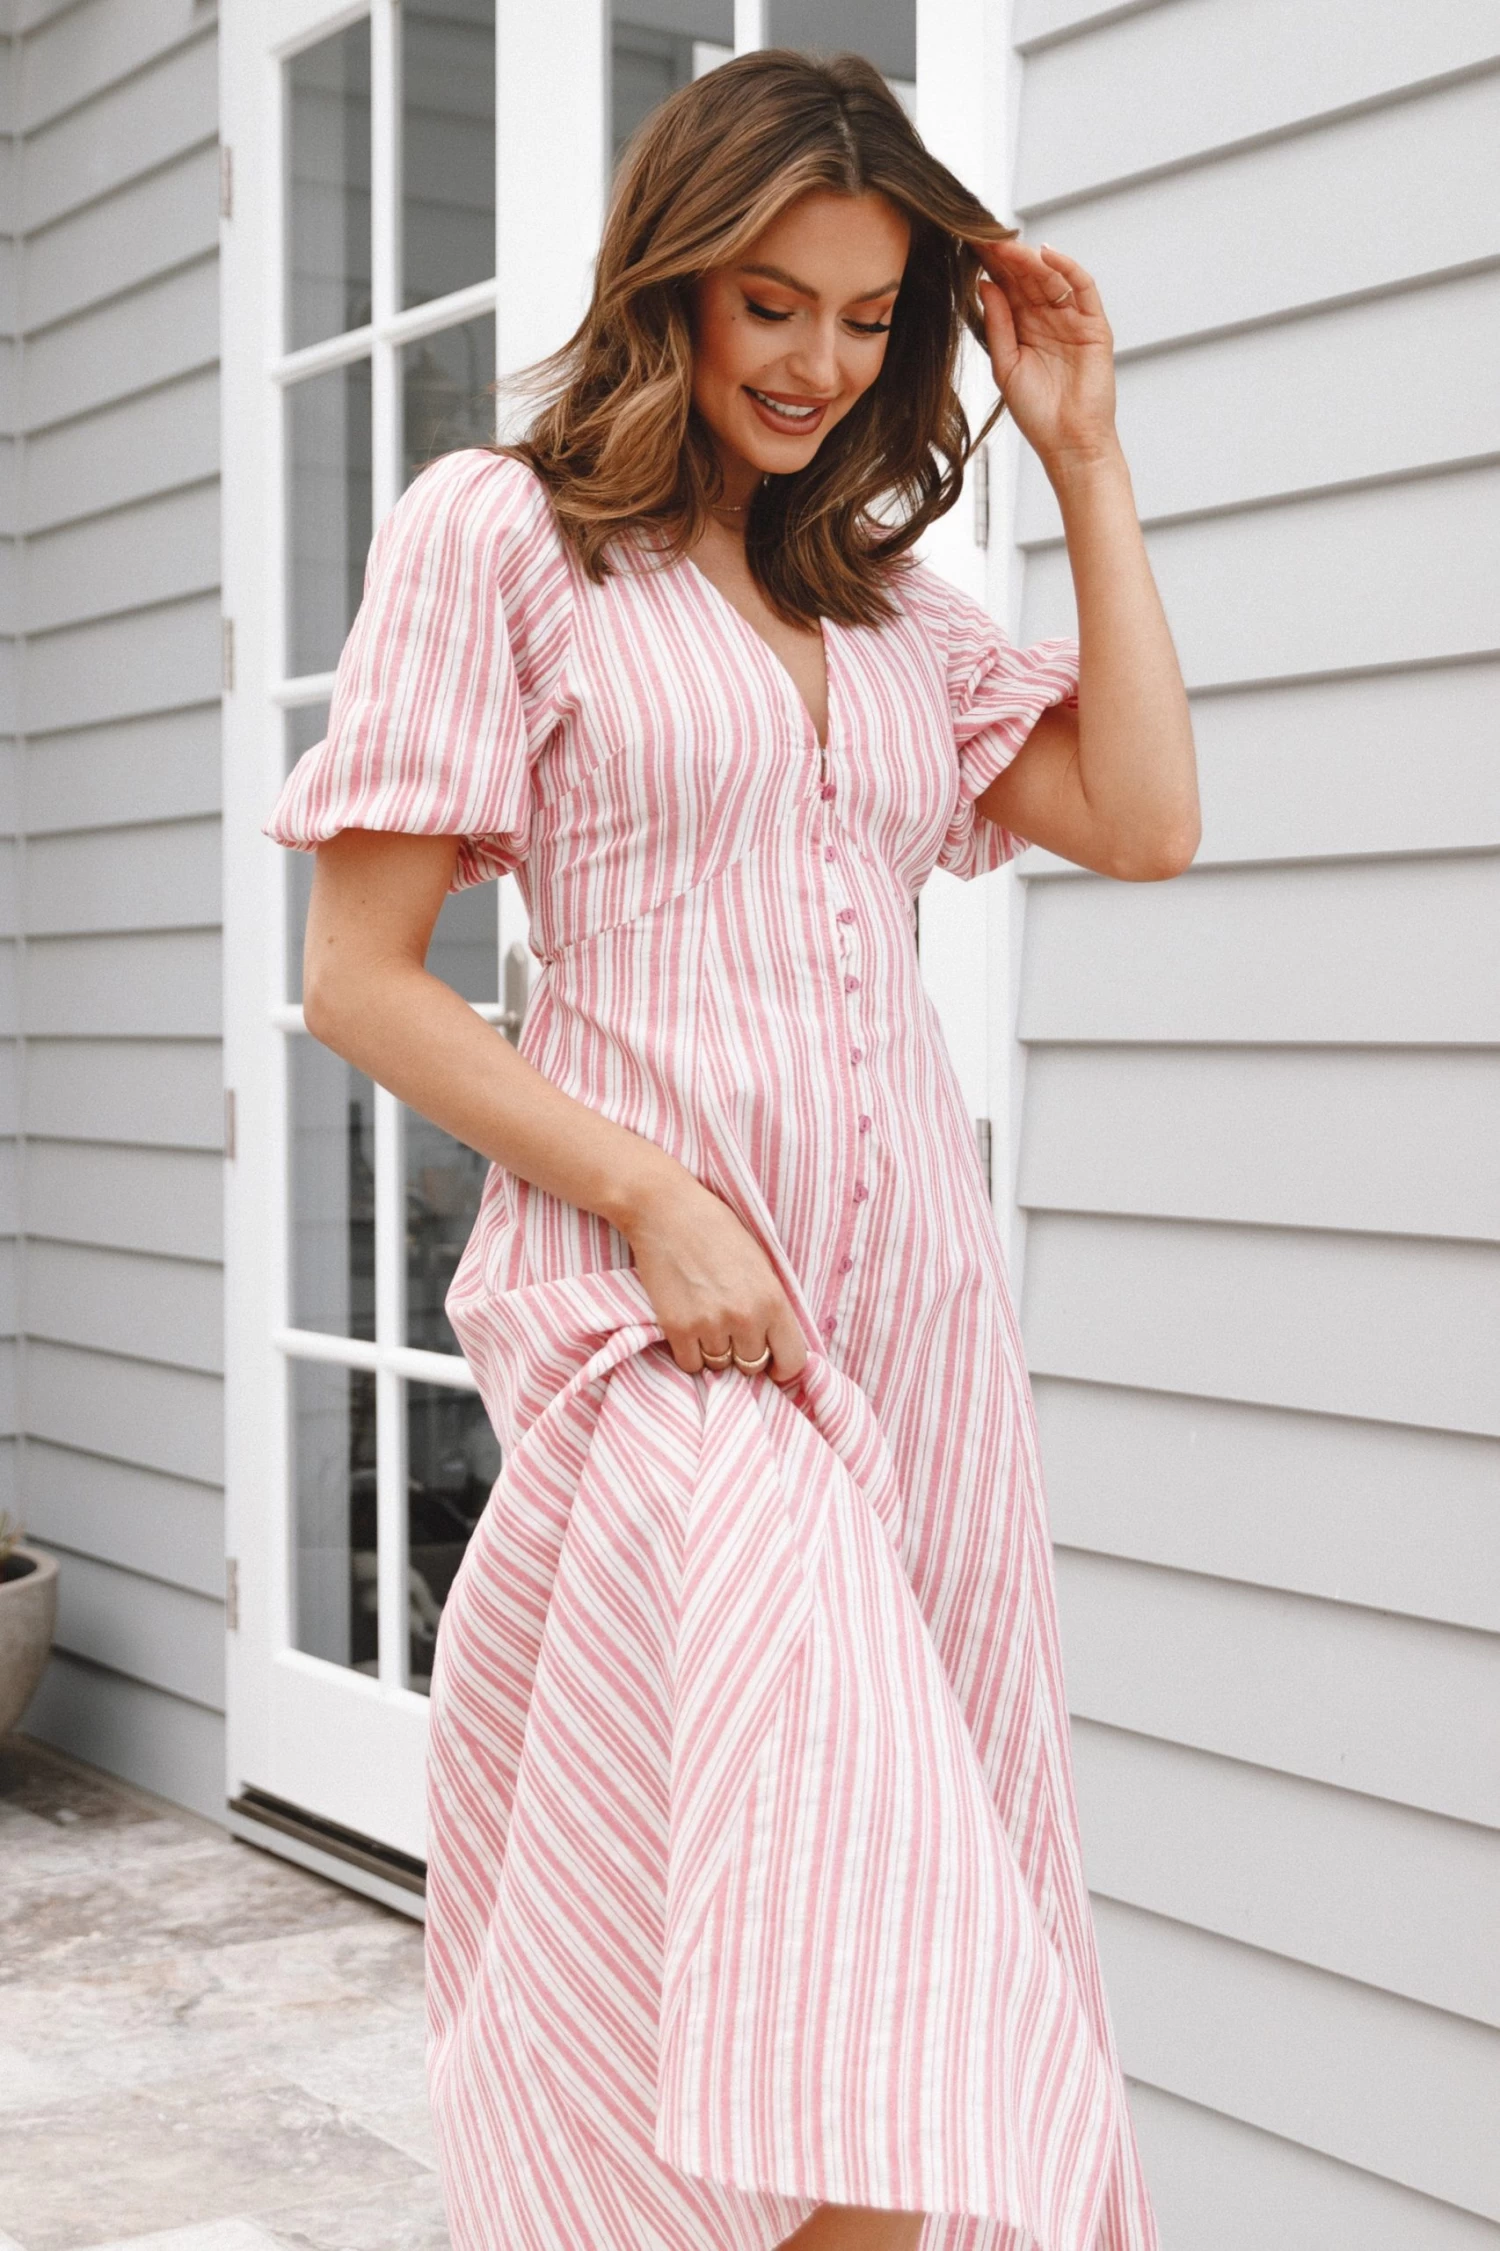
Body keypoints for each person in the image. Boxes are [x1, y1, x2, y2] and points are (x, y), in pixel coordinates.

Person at [263, 47, 1196, 2251]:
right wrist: (659, 1199)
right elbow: (362, 979)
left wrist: (1086, 455)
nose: (818, 364)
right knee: (864, 1913)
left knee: (887, 1930)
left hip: (912, 1320)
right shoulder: (501, 535)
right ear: (670, 279)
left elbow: (1146, 821)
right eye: (771, 302)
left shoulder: (885, 604)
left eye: (868, 318)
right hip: (667, 1319)